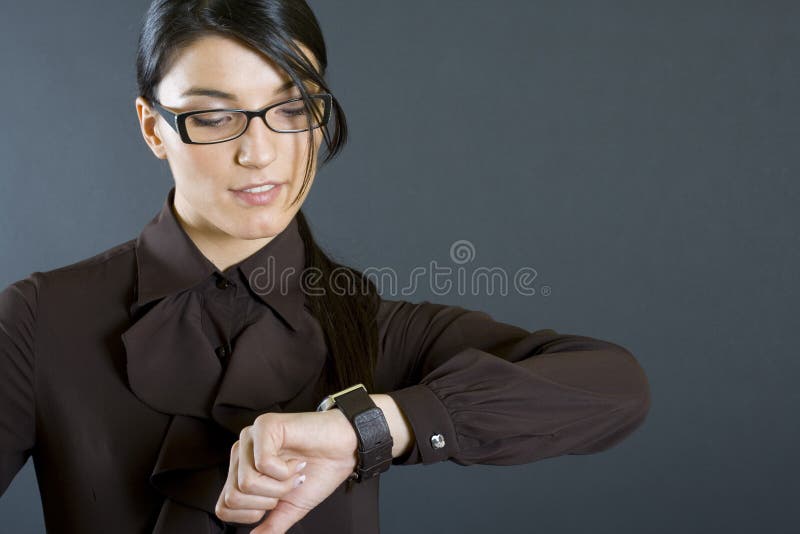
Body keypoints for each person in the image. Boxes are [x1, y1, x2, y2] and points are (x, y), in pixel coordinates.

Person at [0, 1, 652, 533]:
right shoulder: (40, 319)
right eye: (214, 116)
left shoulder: (369, 325)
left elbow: (615, 388)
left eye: (291, 108)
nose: (260, 153)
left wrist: (370, 427)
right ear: (152, 127)